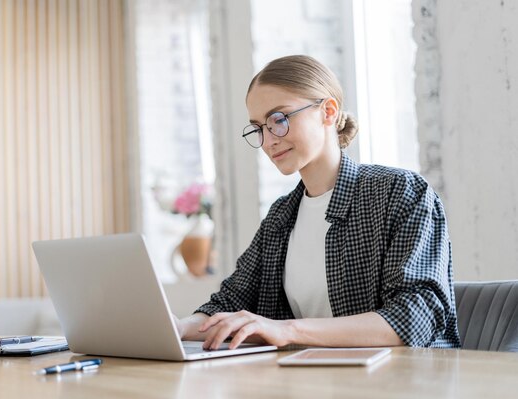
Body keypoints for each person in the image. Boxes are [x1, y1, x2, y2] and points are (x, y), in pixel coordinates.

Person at [175, 54, 461, 350]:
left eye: (279, 119)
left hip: (405, 384)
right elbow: (230, 302)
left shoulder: (399, 192)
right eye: (259, 127)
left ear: (328, 112)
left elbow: (415, 317)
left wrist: (288, 330)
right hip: (317, 383)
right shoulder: (281, 216)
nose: (269, 140)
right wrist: (178, 326)